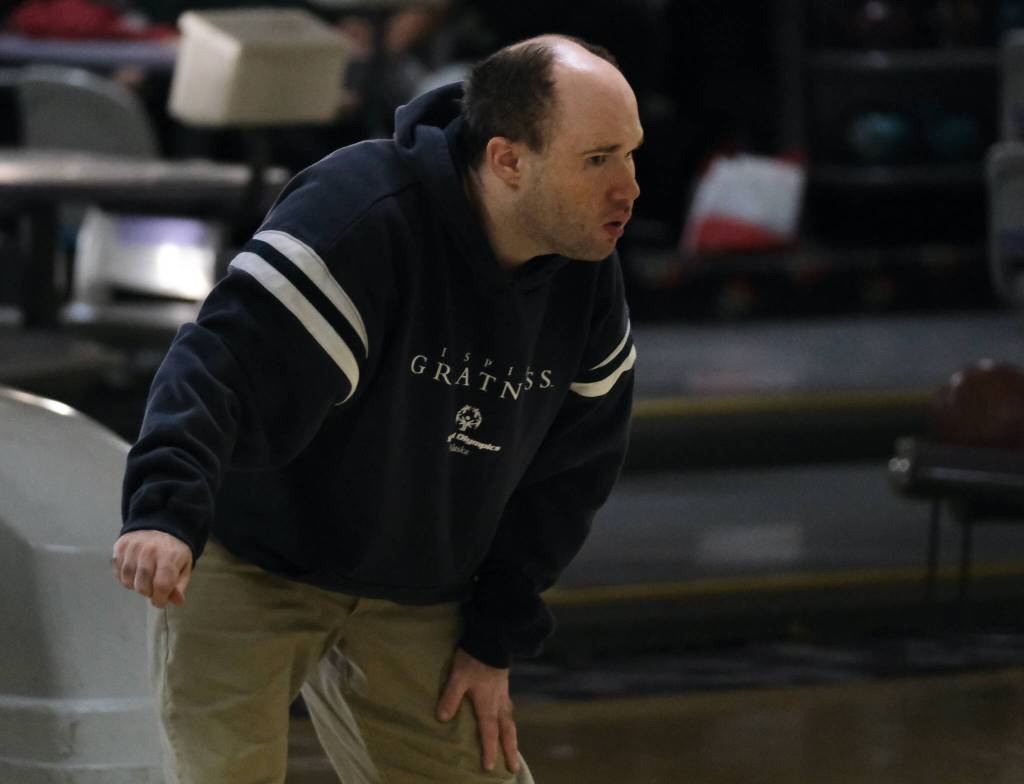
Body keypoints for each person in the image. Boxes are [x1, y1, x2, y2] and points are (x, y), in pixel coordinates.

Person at [111, 33, 641, 784]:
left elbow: (570, 479)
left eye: (631, 153)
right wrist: (163, 512)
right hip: (251, 557)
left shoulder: (587, 268)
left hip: (417, 585)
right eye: (598, 159)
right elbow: (216, 366)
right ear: (508, 160)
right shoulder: (361, 212)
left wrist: (494, 637)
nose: (630, 188)